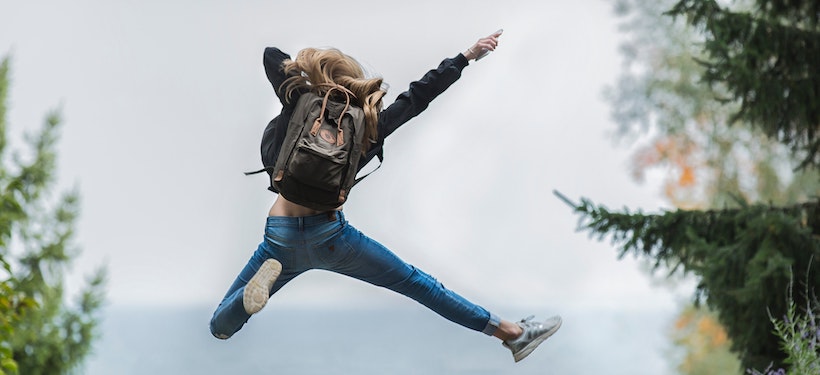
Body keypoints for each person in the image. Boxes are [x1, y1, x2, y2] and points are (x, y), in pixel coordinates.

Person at [209, 31, 562, 363]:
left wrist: (312, 78)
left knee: (220, 327)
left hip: (280, 236)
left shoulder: (299, 102)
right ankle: (512, 333)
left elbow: (272, 56)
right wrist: (466, 56)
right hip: (331, 237)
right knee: (418, 284)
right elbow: (417, 97)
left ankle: (246, 300)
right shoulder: (367, 124)